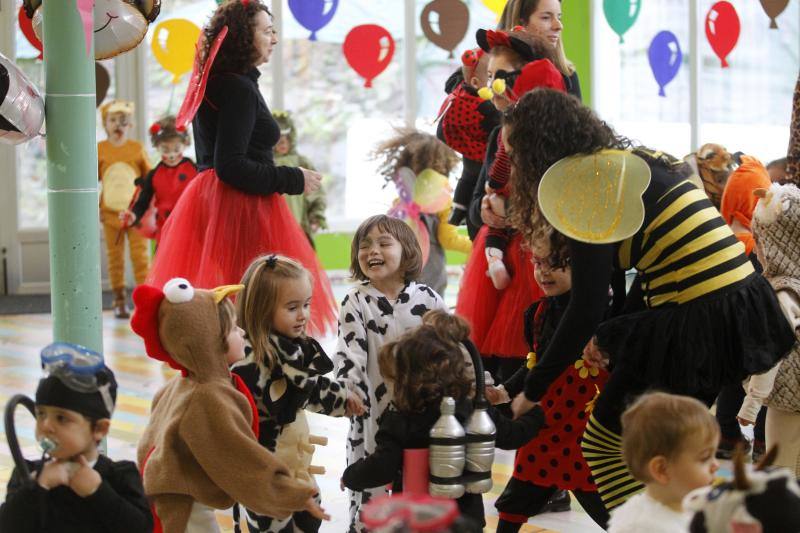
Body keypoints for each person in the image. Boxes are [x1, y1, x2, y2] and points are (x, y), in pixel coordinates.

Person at [504, 89, 794, 513]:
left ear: (539, 150)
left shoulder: (589, 186)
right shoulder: (634, 163)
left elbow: (586, 307)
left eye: (516, 154)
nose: (513, 167)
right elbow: (650, 265)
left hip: (696, 315)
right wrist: (610, 335)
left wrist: (531, 391)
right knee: (667, 453)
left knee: (608, 443)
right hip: (731, 304)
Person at [145, 0, 336, 337]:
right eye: (266, 31)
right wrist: (294, 177)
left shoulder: (219, 80)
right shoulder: (237, 87)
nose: (274, 39)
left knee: (235, 301)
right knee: (254, 304)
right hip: (239, 204)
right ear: (244, 39)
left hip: (214, 199)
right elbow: (231, 165)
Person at [132, 279, 325, 533]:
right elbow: (242, 462)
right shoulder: (207, 397)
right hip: (184, 510)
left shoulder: (182, 385)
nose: (242, 333)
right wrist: (292, 494)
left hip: (169, 500)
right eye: (234, 329)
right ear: (210, 342)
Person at [341, 310, 546, 530]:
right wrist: (535, 413)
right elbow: (512, 436)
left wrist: (350, 476)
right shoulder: (470, 409)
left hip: (418, 520)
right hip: (465, 520)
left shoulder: (400, 419)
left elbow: (381, 467)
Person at [231, 254, 365, 532]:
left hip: (294, 467)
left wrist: (344, 399)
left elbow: (306, 387)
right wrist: (342, 399)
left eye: (306, 304)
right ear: (261, 310)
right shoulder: (253, 361)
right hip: (267, 474)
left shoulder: (287, 349)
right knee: (275, 524)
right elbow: (308, 388)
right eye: (292, 307)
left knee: (309, 514)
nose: (303, 314)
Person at [455, 29, 560, 380]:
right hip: (496, 265)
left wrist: (509, 213)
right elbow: (476, 201)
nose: (492, 86)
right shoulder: (494, 136)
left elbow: (553, 203)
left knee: (528, 356)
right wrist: (483, 212)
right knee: (490, 367)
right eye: (488, 77)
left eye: (500, 77)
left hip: (535, 262)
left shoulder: (550, 137)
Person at [488, 228, 609, 531]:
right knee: (516, 500)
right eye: (538, 263)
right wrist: (504, 391)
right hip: (543, 427)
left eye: (555, 262)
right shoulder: (537, 313)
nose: (544, 272)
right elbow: (535, 364)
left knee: (606, 506)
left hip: (588, 431)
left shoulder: (601, 312)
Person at [333, 215, 447, 532]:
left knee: (418, 497)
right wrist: (348, 390)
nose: (373, 251)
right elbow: (349, 352)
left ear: (407, 249)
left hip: (421, 419)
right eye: (365, 245)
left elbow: (450, 353)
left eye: (384, 243)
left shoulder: (428, 299)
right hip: (372, 420)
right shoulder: (356, 301)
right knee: (370, 502)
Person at [0, 343, 152, 533]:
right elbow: (7, 526)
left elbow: (141, 528)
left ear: (99, 429)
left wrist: (98, 492)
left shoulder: (120, 477)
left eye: (62, 418)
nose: (46, 425)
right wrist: (39, 486)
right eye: (41, 414)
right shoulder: (29, 475)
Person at [738, 182, 800, 476]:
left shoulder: (782, 293)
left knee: (782, 469)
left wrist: (751, 407)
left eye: (759, 242)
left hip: (789, 403)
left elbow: (770, 355)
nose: (758, 251)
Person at [713, 156, 772, 462]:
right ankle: (763, 440)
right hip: (758, 328)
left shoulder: (721, 240)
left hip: (723, 325)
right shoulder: (758, 244)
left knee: (731, 375)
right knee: (764, 375)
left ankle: (727, 436)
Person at [372, 129, 472, 297]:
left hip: (400, 271)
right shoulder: (442, 203)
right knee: (429, 316)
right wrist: (475, 245)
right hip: (430, 273)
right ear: (442, 168)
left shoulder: (400, 204)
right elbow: (448, 240)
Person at [607, 392, 720, 533]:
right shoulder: (643, 527)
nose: (716, 465)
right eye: (705, 458)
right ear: (662, 469)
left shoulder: (688, 505)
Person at [97, 99, 151, 319]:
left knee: (140, 257)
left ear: (130, 124)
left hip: (135, 213)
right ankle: (119, 299)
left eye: (123, 121)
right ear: (105, 123)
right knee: (115, 257)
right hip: (111, 213)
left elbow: (149, 178)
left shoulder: (136, 149)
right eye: (112, 120)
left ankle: (144, 300)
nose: (118, 126)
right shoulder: (100, 149)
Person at [436, 48, 499, 230]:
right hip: (479, 148)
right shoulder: (485, 105)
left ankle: (457, 210)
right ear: (475, 81)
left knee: (468, 176)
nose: (495, 82)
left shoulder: (461, 91)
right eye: (490, 76)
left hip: (467, 145)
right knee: (475, 177)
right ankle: (463, 212)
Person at [124, 115, 198, 246]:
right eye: (165, 149)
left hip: (192, 233)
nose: (171, 155)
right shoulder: (154, 174)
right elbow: (143, 201)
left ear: (185, 144)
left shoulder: (195, 170)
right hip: (165, 234)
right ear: (157, 147)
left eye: (176, 149)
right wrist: (134, 215)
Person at [498, 0, 581, 99]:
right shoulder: (496, 71)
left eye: (559, 17)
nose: (559, 26)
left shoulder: (568, 74)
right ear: (522, 22)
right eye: (546, 17)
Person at [272, 110, 328, 246]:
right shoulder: (266, 164)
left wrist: (315, 216)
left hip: (298, 228)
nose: (282, 143)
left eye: (286, 138)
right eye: (278, 138)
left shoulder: (302, 162)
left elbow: (316, 191)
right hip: (273, 228)